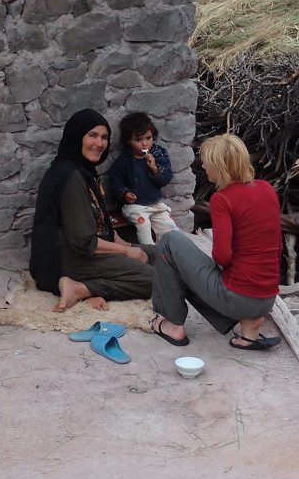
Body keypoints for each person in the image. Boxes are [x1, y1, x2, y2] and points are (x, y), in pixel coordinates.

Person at [149, 133, 282, 350]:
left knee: (170, 241)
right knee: (196, 265)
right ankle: (249, 330)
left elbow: (222, 256)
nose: (203, 166)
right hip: (267, 298)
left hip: (238, 299)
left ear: (220, 166)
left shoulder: (223, 199)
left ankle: (173, 325)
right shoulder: (267, 189)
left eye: (207, 162)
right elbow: (277, 247)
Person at [29, 108, 156, 312]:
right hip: (67, 259)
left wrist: (117, 240)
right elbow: (83, 242)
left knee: (161, 254)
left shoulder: (82, 169)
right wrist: (126, 251)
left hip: (87, 248)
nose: (100, 143)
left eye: (104, 137)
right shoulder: (71, 177)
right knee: (155, 279)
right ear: (77, 136)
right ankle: (81, 288)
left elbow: (95, 217)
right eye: (92, 135)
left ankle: (90, 283)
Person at [108, 112, 177, 245]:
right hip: (135, 207)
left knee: (169, 227)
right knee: (143, 224)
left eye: (148, 138)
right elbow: (116, 182)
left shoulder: (158, 154)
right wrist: (125, 193)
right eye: (138, 140)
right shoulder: (124, 162)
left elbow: (166, 179)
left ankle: (171, 250)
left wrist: (155, 168)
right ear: (128, 141)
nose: (145, 143)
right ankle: (150, 251)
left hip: (156, 204)